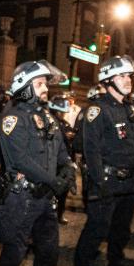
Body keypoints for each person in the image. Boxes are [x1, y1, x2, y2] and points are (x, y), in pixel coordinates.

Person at [0, 60, 74, 266]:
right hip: (20, 200)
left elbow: (62, 151)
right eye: (39, 84)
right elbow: (20, 159)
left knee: (48, 254)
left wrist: (68, 170)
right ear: (24, 87)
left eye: (45, 84)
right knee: (12, 260)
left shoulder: (48, 117)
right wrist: (55, 181)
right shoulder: (11, 118)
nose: (45, 89)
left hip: (45, 202)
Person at [70, 55, 134, 266]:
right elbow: (91, 151)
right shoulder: (97, 110)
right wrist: (100, 184)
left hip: (130, 184)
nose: (128, 81)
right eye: (122, 76)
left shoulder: (133, 109)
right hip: (107, 182)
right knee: (95, 234)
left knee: (122, 231)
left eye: (129, 76)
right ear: (108, 80)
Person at [47, 92, 80, 224]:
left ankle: (58, 215)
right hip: (54, 163)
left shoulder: (64, 123)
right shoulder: (50, 122)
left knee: (63, 191)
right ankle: (51, 215)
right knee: (54, 191)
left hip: (65, 160)